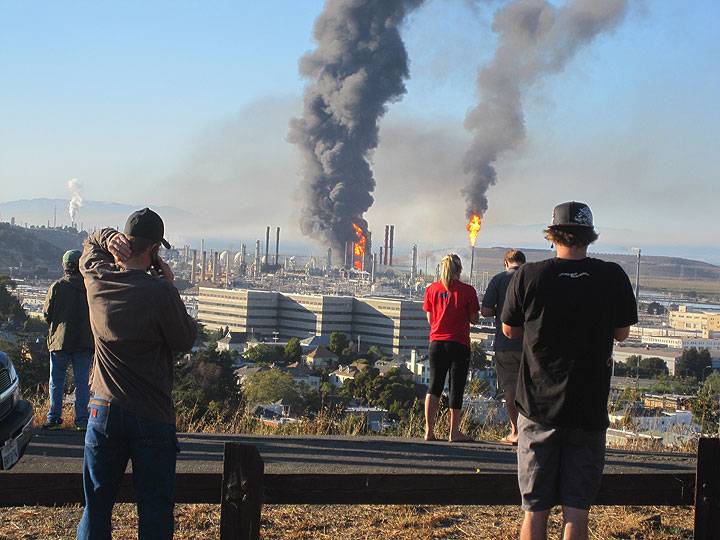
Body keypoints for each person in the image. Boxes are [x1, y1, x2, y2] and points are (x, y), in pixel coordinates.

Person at [501, 202, 637, 540]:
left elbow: (509, 330)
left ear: (553, 235)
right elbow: (622, 333)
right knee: (577, 512)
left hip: (537, 408)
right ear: (589, 237)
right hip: (587, 410)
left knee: (535, 511)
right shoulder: (612, 276)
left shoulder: (529, 276)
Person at [77, 208, 197, 540]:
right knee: (155, 509)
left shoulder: (97, 281)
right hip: (151, 412)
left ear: (123, 244)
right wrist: (170, 287)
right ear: (155, 250)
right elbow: (185, 339)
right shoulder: (160, 293)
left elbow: (88, 248)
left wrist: (105, 236)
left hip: (103, 408)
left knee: (96, 504)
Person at [422, 253, 480, 442]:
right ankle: (454, 432)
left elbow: (430, 319)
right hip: (459, 343)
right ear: (459, 270)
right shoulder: (468, 291)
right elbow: (474, 319)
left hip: (436, 343)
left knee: (434, 386)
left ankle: (429, 431)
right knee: (456, 388)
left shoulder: (432, 289)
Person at [42, 249, 94, 431]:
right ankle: (81, 420)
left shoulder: (56, 287)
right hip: (84, 342)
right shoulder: (90, 288)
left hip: (60, 341)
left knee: (56, 381)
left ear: (64, 266)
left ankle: (54, 418)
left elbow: (46, 315)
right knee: (82, 382)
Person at [480, 249, 526, 445]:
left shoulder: (498, 280)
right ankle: (530, 432)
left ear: (506, 263)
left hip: (505, 344)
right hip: (529, 345)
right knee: (529, 389)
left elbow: (485, 311)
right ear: (523, 263)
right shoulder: (531, 279)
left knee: (510, 389)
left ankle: (515, 431)